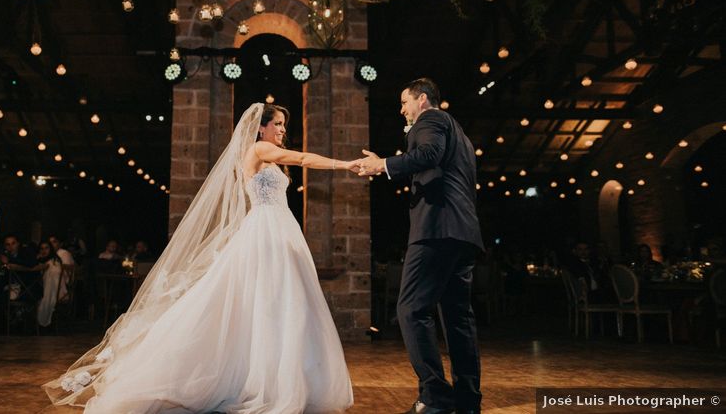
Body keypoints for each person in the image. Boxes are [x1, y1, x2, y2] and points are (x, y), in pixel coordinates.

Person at [44, 103, 355, 413]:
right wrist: (345, 165)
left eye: (284, 125)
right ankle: (253, 379)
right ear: (261, 128)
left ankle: (279, 377)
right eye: (278, 124)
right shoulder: (259, 149)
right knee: (264, 300)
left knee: (279, 303)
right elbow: (301, 158)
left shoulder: (268, 158)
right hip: (266, 232)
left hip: (280, 229)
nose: (283, 130)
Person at [356, 78, 483, 414]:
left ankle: (436, 397)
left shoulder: (432, 120)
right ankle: (468, 402)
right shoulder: (463, 137)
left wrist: (382, 165)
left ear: (422, 99)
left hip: (437, 231)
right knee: (458, 319)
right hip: (463, 234)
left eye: (404, 102)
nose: (401, 110)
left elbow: (428, 154)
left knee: (411, 310)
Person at [36, 240, 64, 328]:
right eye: (41, 248)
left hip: (56, 292)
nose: (44, 251)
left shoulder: (53, 263)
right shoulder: (45, 261)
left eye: (46, 248)